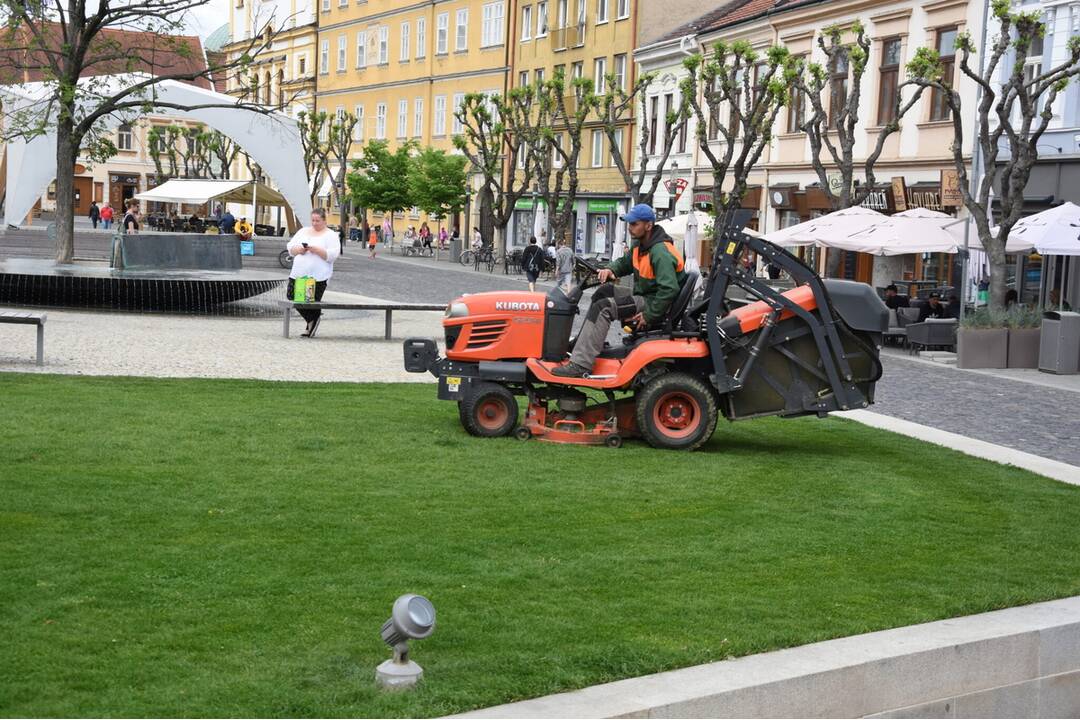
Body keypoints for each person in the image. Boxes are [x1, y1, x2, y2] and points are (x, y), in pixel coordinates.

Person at [553, 203, 685, 378]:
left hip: (654, 302)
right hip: (646, 295)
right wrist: (610, 270)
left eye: (634, 224)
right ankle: (584, 344)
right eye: (629, 224)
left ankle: (580, 364)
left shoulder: (659, 251)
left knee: (604, 307)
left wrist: (650, 315)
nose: (630, 228)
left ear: (648, 225)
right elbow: (624, 263)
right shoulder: (641, 246)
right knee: (603, 291)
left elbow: (669, 289)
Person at [286, 208, 341, 338]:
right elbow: (290, 247)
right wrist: (298, 249)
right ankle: (312, 319)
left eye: (318, 220)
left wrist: (317, 250)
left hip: (318, 275)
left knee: (312, 301)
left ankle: (311, 324)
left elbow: (332, 255)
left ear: (324, 220)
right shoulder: (303, 231)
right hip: (299, 273)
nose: (315, 223)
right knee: (292, 296)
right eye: (313, 220)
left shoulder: (331, 235)